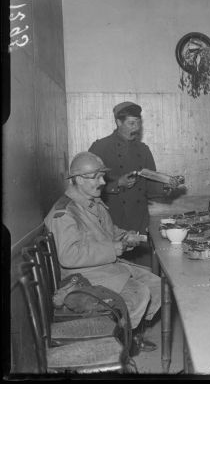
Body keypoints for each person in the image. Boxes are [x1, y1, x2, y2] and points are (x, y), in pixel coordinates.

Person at [45, 151, 161, 354]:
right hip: (85, 279)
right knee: (140, 294)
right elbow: (69, 255)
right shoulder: (64, 213)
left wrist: (125, 236)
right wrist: (114, 248)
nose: (102, 182)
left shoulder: (92, 203)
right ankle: (121, 344)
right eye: (97, 177)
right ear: (79, 180)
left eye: (103, 176)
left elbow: (108, 231)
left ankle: (131, 334)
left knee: (157, 285)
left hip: (106, 268)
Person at [88, 101, 179, 235]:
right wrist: (117, 183)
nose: (136, 128)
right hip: (112, 219)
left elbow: (150, 185)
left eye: (138, 123)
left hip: (140, 220)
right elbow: (86, 187)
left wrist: (166, 185)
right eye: (131, 123)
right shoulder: (100, 148)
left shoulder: (143, 150)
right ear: (119, 122)